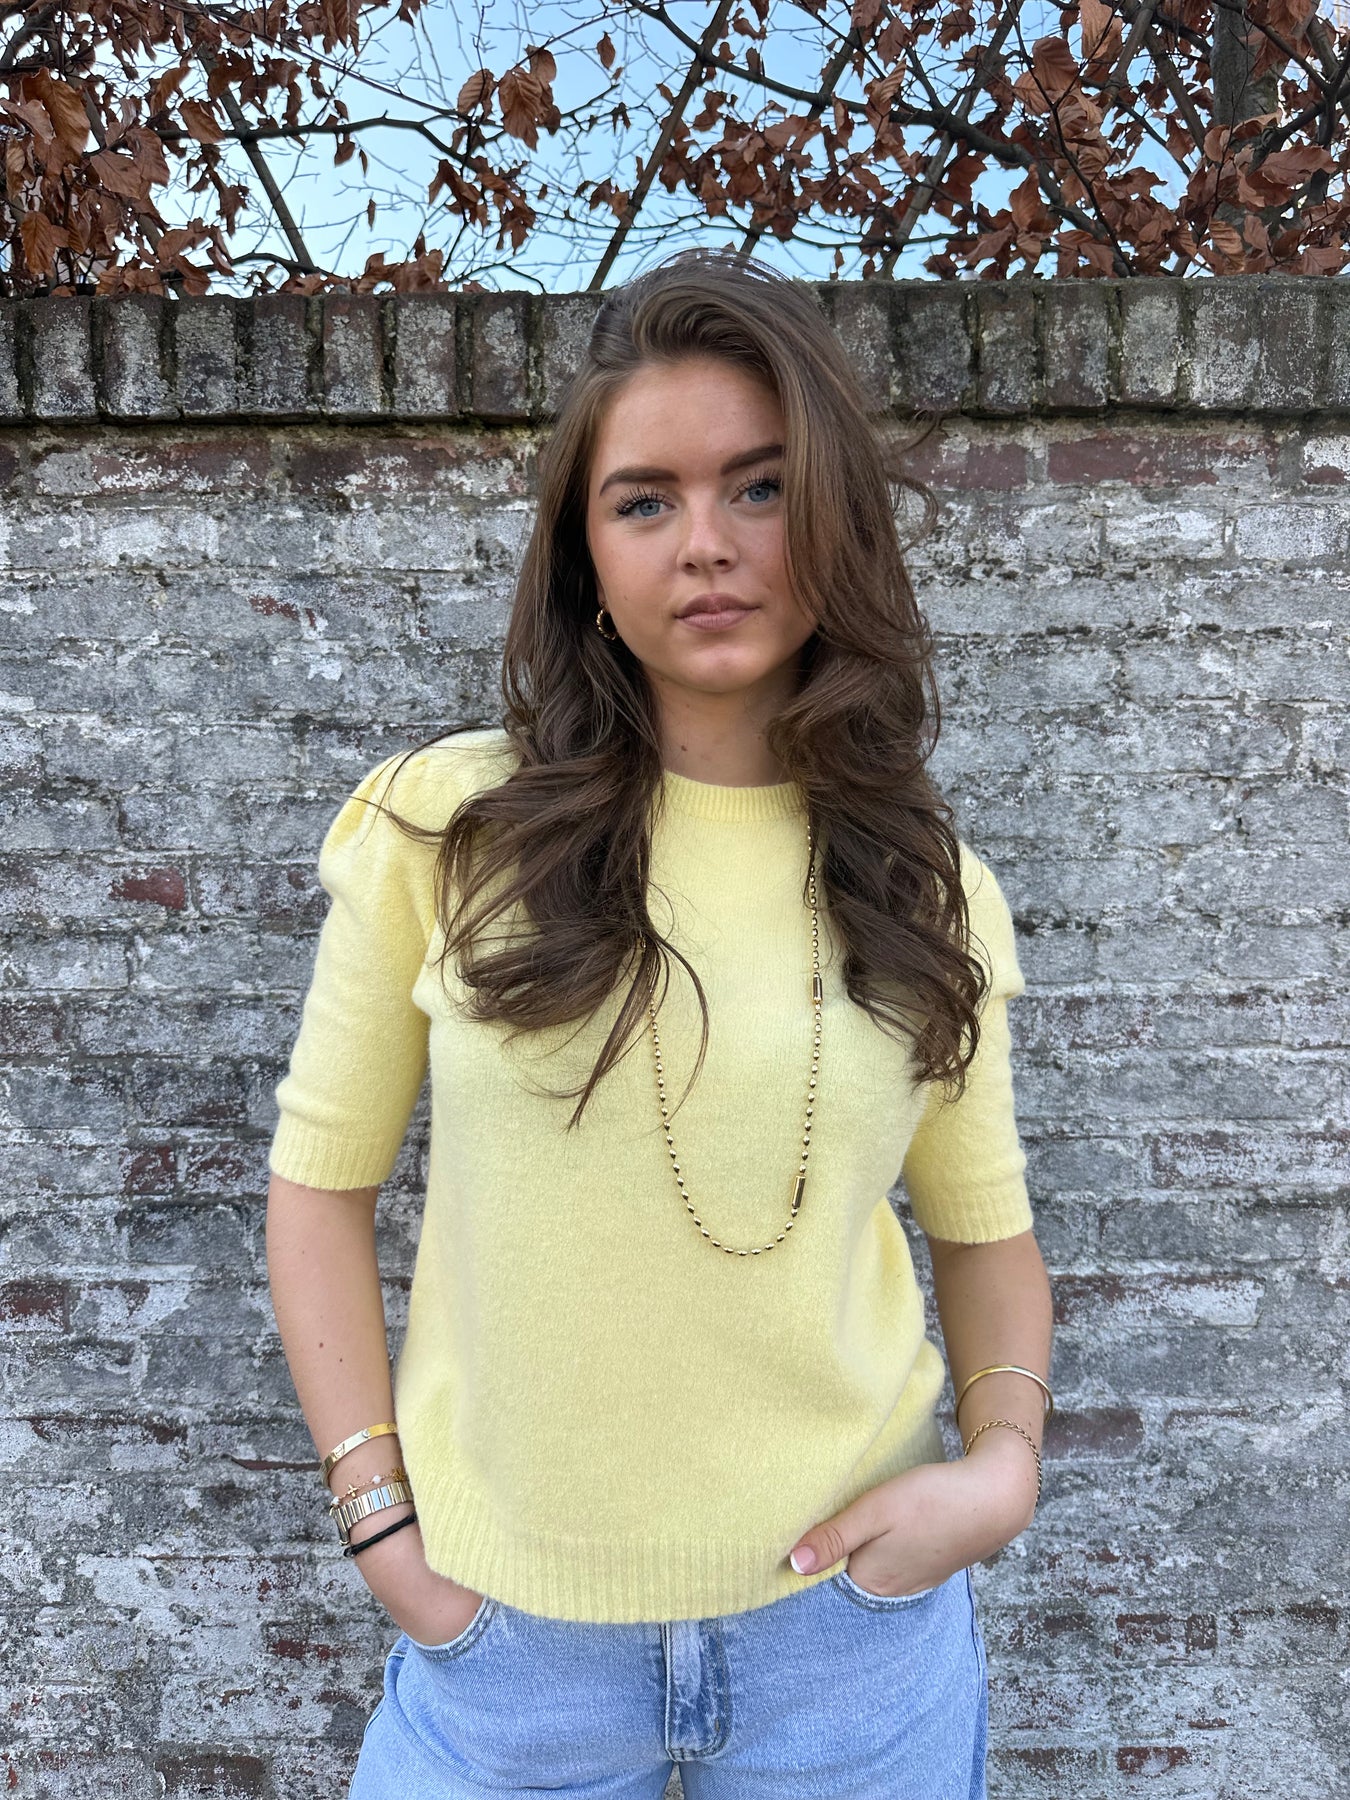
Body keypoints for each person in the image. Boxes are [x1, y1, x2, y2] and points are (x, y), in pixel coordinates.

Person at [265, 245, 1054, 1799]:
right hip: (507, 1655)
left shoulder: (927, 883)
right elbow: (314, 1190)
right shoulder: (442, 829)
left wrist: (1001, 1476)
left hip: (850, 1641)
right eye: (644, 502)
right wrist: (382, 1528)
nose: (706, 544)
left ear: (832, 516)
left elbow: (986, 1239)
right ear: (584, 554)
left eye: (759, 488)